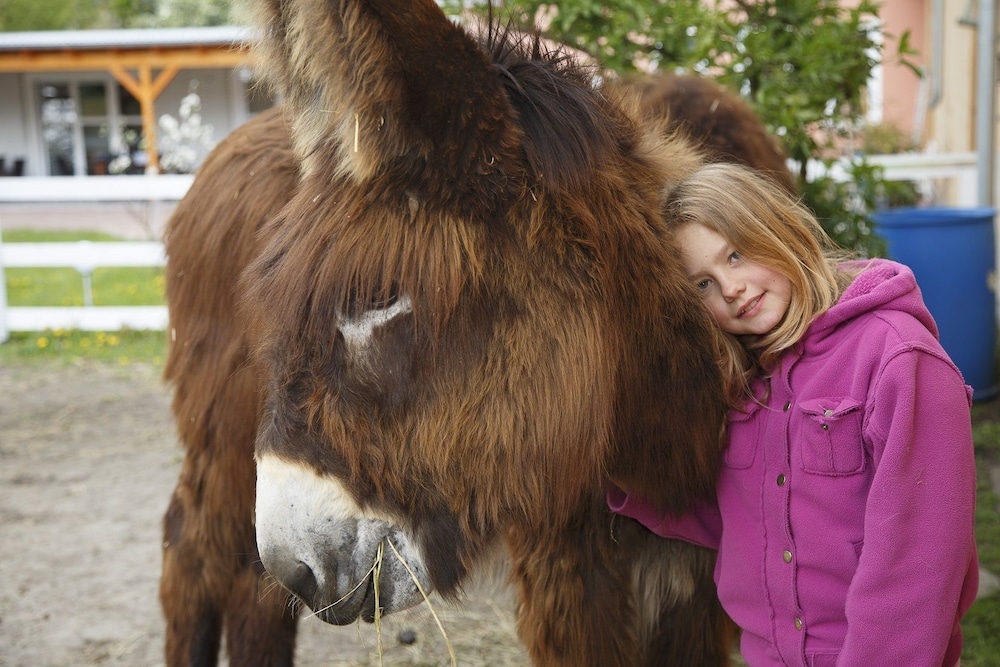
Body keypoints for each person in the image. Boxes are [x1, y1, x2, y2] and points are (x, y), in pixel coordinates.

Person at [609, 162, 979, 666]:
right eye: (703, 284)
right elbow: (741, 521)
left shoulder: (898, 360)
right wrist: (620, 472)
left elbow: (918, 565)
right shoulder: (745, 383)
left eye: (735, 255)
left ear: (776, 228)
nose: (730, 288)